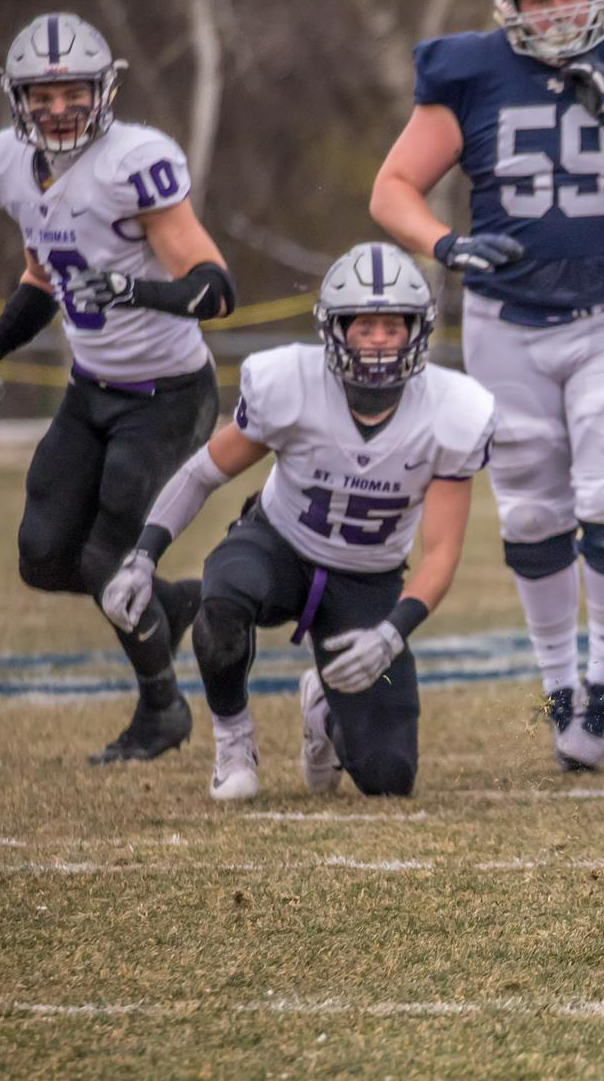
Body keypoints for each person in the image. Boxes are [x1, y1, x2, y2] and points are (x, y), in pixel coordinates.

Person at [370, 0, 604, 772]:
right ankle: (559, 685)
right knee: (529, 513)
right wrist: (444, 244)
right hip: (505, 319)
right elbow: (392, 187)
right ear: (509, 5)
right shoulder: (471, 70)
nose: (560, 10)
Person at [100, 243, 496, 801]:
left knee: (389, 776)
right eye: (364, 327)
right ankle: (233, 739)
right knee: (224, 595)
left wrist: (392, 632)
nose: (379, 340)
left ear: (417, 331)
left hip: (368, 581)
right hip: (278, 547)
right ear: (334, 331)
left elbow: (441, 553)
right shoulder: (289, 384)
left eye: (393, 326)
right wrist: (144, 557)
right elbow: (201, 474)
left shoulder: (453, 410)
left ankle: (324, 716)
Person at [0, 13, 235, 764]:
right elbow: (44, 277)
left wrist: (133, 291)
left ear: (103, 91)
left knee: (107, 554)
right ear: (19, 100)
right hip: (91, 387)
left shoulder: (134, 161)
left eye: (74, 91)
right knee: (40, 554)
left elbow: (214, 288)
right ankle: (176, 600)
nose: (60, 107)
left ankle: (162, 710)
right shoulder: (12, 162)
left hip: (169, 392)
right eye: (43, 94)